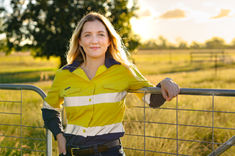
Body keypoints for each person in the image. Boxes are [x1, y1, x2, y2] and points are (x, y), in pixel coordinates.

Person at [41, 12, 180, 156]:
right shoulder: (64, 74)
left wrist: (166, 81)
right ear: (80, 41)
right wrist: (59, 136)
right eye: (87, 35)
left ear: (109, 40)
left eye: (101, 34)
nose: (94, 40)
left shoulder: (124, 71)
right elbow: (49, 109)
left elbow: (153, 100)